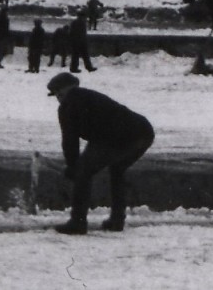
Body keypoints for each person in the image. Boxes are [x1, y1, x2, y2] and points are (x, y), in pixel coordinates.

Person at [46, 72, 155, 235]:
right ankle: (117, 220)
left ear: (62, 91)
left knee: (83, 171)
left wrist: (72, 166)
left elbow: (70, 140)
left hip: (118, 137)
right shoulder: (89, 96)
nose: (58, 98)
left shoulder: (68, 105)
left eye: (57, 94)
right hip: (143, 131)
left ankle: (78, 222)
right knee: (117, 170)